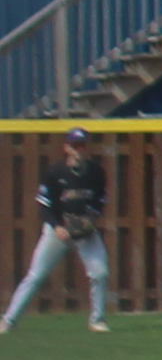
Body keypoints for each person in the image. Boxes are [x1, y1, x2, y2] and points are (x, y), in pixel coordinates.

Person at [1, 126, 111, 334]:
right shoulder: (55, 172)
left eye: (82, 145)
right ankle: (8, 320)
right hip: (57, 232)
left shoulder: (96, 173)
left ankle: (97, 320)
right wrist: (57, 226)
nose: (79, 149)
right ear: (66, 148)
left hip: (84, 232)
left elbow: (100, 201)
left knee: (100, 273)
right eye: (75, 145)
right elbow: (44, 204)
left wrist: (91, 219)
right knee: (35, 276)